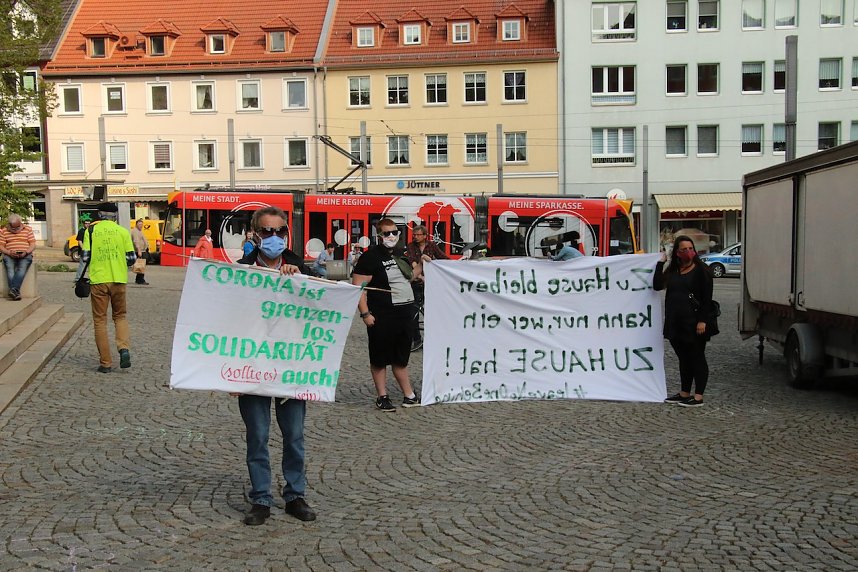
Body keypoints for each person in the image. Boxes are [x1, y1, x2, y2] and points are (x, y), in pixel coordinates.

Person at [235, 206, 316, 525]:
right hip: (252, 367)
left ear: (287, 234)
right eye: (267, 232)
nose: (274, 237)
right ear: (255, 235)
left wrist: (302, 285)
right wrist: (229, 372)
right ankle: (261, 498)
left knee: (294, 435)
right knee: (257, 435)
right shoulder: (240, 271)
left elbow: (322, 312)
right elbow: (226, 321)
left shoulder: (302, 270)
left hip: (291, 368)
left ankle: (295, 495)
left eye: (280, 232)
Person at [352, 219, 420, 411]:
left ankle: (409, 396)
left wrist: (423, 264)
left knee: (401, 358)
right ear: (379, 236)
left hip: (404, 315)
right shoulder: (370, 258)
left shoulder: (401, 255)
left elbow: (409, 278)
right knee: (379, 358)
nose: (391, 236)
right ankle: (382, 396)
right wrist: (365, 314)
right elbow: (358, 288)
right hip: (382, 315)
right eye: (386, 233)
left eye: (395, 232)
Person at [653, 235, 714, 408]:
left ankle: (698, 396)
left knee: (697, 358)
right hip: (675, 322)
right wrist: (660, 263)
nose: (688, 252)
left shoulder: (702, 271)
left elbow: (707, 298)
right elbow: (657, 285)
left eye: (690, 248)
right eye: (683, 249)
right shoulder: (674, 270)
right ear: (677, 253)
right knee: (683, 359)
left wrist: (702, 320)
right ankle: (684, 392)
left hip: (694, 323)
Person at [81, 203, 136, 373]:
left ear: (99, 215)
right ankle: (124, 348)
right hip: (119, 279)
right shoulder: (123, 232)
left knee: (100, 321)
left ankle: (105, 363)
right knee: (120, 316)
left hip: (98, 280)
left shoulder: (90, 231)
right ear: (115, 216)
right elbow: (132, 258)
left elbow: (85, 257)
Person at [405, 225, 448, 350]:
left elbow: (442, 258)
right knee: (414, 312)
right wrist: (420, 276)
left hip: (431, 284)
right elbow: (412, 261)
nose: (416, 237)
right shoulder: (411, 246)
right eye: (414, 235)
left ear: (425, 236)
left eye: (418, 235)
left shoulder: (431, 245)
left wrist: (454, 265)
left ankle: (435, 339)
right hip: (417, 283)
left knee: (434, 312)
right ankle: (417, 339)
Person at [0, 214, 36, 301]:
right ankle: (15, 292)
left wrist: (26, 252)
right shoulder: (4, 231)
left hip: (25, 254)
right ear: (9, 225)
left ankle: (13, 290)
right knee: (10, 269)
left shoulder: (28, 229)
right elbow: (1, 246)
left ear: (20, 223)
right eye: (13, 228)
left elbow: (32, 244)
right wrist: (8, 252)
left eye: (17, 227)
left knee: (22, 268)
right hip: (9, 254)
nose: (15, 230)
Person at [130, 219, 149, 285]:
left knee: (141, 265)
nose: (141, 226)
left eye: (141, 224)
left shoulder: (139, 231)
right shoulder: (135, 231)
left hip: (142, 250)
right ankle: (140, 280)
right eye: (139, 224)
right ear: (136, 224)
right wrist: (139, 251)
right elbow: (136, 241)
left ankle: (138, 279)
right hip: (139, 251)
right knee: (141, 265)